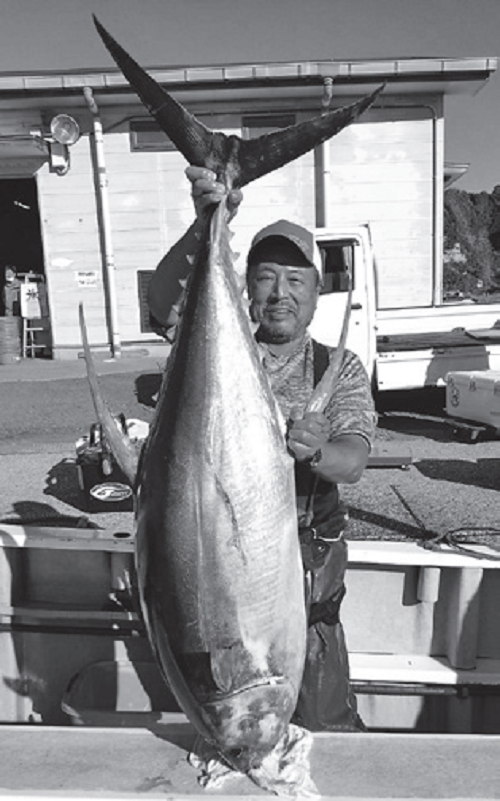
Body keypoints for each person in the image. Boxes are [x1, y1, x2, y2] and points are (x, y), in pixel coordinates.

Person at [148, 166, 377, 732]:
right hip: (220, 559)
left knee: (324, 725)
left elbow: (354, 459)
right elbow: (161, 303)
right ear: (246, 286)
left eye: (296, 280)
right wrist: (208, 220)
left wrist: (318, 450)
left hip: (302, 572)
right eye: (266, 277)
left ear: (316, 293)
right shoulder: (210, 343)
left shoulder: (337, 367)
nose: (280, 293)